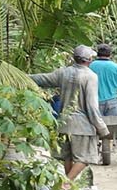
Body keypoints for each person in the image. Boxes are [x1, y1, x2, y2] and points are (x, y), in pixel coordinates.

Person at [30, 45, 110, 181]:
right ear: (89, 59)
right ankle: (67, 183)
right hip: (82, 125)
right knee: (85, 158)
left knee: (67, 156)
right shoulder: (91, 77)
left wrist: (21, 77)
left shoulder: (63, 73)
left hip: (64, 122)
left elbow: (42, 79)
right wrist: (102, 128)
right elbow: (92, 106)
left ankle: (68, 184)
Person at [90, 44, 117, 117]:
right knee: (112, 126)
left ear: (97, 53)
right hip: (112, 102)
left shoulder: (90, 66)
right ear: (110, 54)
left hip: (95, 102)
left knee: (96, 127)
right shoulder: (116, 67)